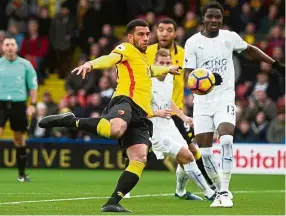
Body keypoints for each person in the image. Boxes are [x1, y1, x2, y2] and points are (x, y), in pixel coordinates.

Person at [38, 19, 179, 213]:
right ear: (130, 36)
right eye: (141, 34)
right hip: (125, 101)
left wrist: (167, 69)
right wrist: (90, 64)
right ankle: (72, 121)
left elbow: (150, 71)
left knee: (139, 158)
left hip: (142, 114)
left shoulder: (145, 57)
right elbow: (109, 58)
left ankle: (113, 202)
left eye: (147, 34)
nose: (146, 38)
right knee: (115, 129)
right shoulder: (127, 48)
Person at [183, 1, 285, 208]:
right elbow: (189, 75)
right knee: (205, 152)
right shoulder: (193, 42)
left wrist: (275, 65)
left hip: (224, 100)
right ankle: (221, 190)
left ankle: (225, 191)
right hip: (202, 103)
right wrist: (208, 80)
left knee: (227, 139)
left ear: (222, 19)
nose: (214, 20)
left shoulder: (229, 38)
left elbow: (250, 50)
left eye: (217, 17)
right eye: (210, 17)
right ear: (203, 18)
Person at [146, 18, 215, 199]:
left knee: (188, 153)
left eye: (169, 30)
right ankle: (209, 191)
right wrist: (155, 113)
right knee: (184, 155)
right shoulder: (147, 64)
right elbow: (139, 103)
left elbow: (174, 95)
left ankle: (181, 191)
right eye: (161, 29)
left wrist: (184, 116)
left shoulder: (179, 62)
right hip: (152, 121)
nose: (164, 33)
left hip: (171, 117)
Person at [0, 38, 38, 182]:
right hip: (1, 103)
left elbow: (32, 86)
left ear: (16, 47)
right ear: (3, 48)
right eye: (7, 45)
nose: (9, 47)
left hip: (18, 103)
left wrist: (32, 104)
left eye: (12, 45)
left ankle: (22, 174)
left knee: (18, 138)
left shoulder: (25, 65)